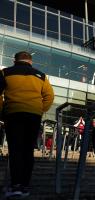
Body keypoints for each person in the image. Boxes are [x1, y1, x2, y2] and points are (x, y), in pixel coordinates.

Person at [0, 51, 54, 199]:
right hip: (33, 116)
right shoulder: (41, 76)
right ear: (31, 62)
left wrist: (1, 112)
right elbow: (49, 96)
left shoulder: (5, 73)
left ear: (14, 60)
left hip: (13, 114)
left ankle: (16, 186)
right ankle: (25, 186)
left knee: (16, 149)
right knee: (28, 150)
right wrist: (39, 110)